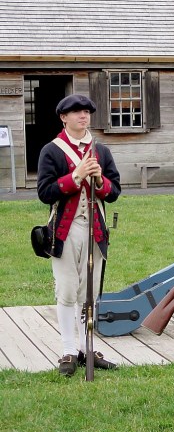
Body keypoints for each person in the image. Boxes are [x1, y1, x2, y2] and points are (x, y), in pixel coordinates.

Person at [37, 94, 121, 376]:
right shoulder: (52, 150)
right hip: (65, 228)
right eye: (76, 112)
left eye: (85, 112)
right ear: (64, 117)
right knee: (67, 289)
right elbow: (45, 192)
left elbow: (114, 192)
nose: (82, 116)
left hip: (94, 229)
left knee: (90, 292)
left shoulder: (102, 151)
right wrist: (75, 177)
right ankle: (68, 350)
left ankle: (87, 348)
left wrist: (99, 180)